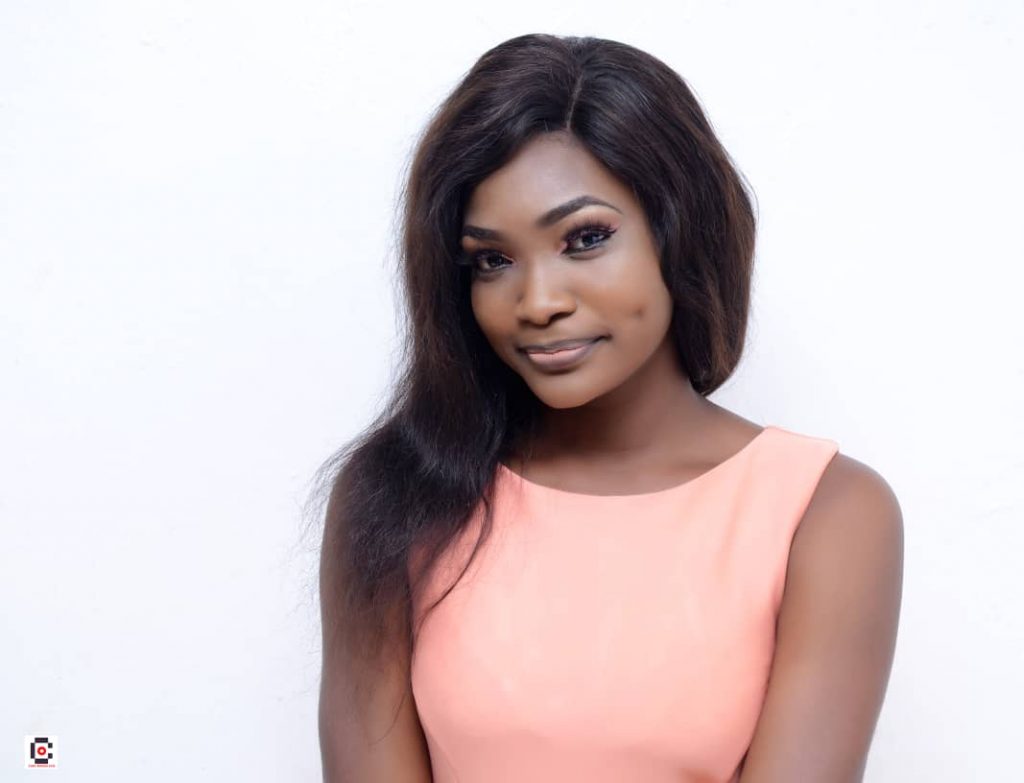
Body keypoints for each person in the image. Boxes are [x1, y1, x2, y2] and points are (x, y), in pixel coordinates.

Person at [316, 33, 903, 783]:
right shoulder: (397, 495)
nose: (538, 301)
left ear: (679, 230)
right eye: (492, 260)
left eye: (585, 238)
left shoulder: (825, 512)